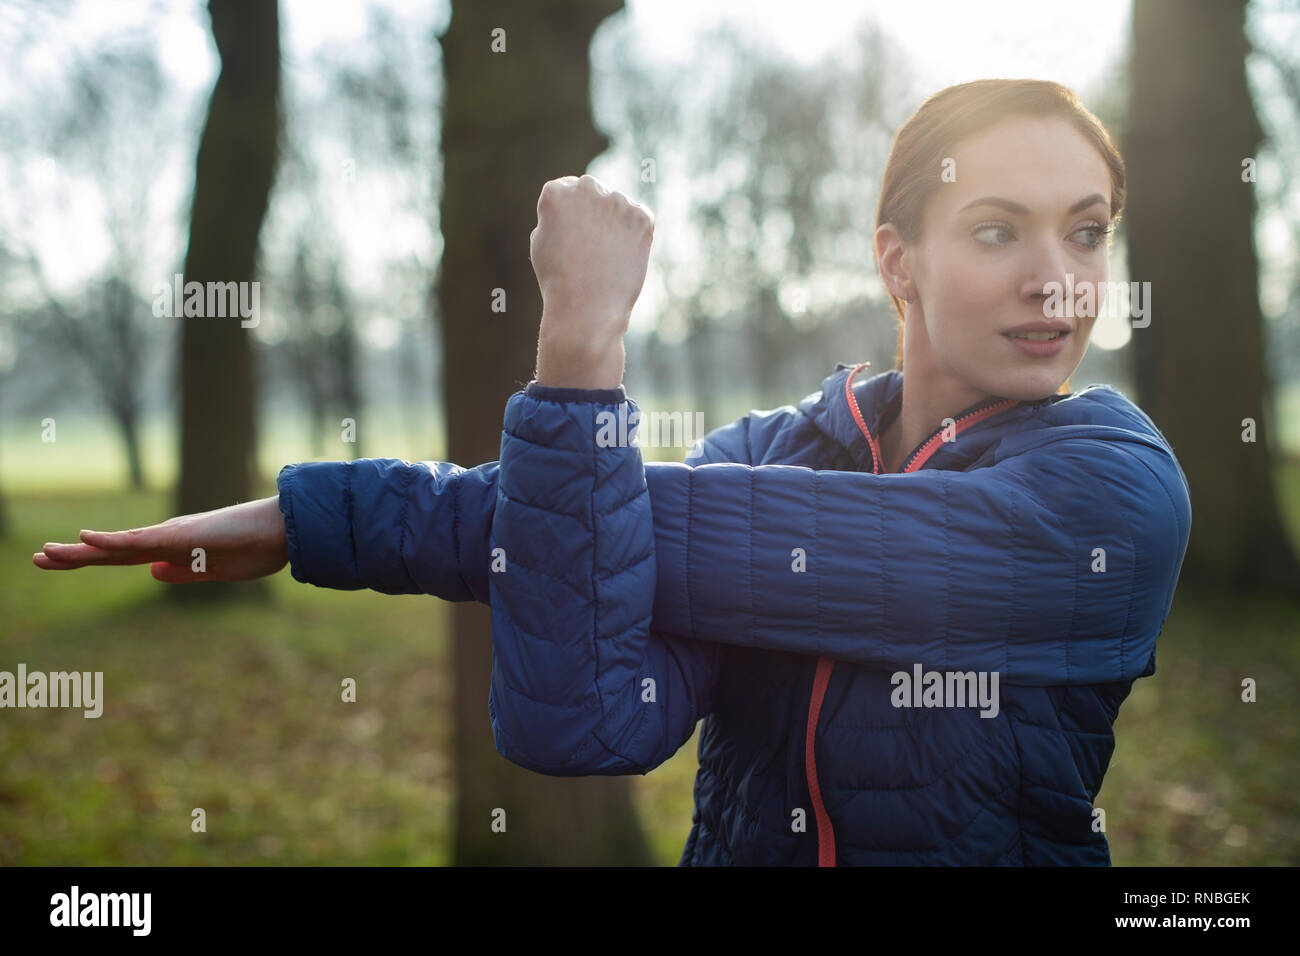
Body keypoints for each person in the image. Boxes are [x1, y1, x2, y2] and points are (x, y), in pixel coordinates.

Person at [35, 78, 1191, 866]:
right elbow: (582, 720)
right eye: (1000, 231)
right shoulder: (767, 452)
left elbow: (663, 532)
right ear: (897, 261)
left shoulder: (1111, 493)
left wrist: (314, 516)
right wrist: (577, 349)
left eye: (1085, 232)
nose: (1059, 280)